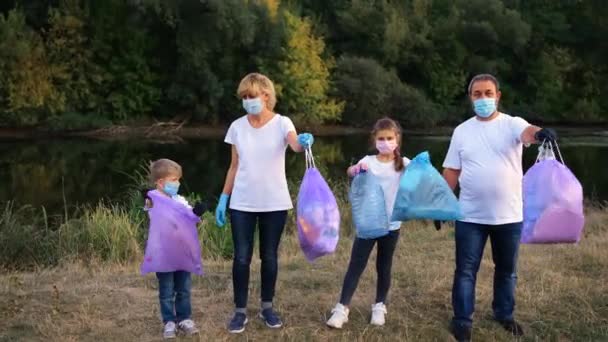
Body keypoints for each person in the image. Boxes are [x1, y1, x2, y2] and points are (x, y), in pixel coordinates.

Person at [441, 74, 557, 341]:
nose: (483, 98)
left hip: (509, 215)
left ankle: (504, 314)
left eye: (488, 93)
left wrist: (540, 134)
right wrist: (442, 204)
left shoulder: (511, 124)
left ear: (498, 95)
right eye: (477, 94)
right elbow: (451, 170)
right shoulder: (462, 131)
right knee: (465, 270)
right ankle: (462, 320)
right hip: (470, 215)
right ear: (470, 97)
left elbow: (528, 132)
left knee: (506, 270)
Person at [214, 73, 313, 333]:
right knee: (241, 258)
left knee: (269, 256)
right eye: (244, 97)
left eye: (252, 96)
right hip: (242, 203)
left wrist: (303, 142)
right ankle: (240, 312)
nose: (248, 101)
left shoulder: (282, 123)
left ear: (266, 96)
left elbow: (294, 145)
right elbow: (234, 166)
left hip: (274, 202)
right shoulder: (236, 127)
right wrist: (224, 198)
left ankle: (267, 308)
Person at [326, 117, 410, 329]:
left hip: (392, 226)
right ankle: (342, 308)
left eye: (389, 138)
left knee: (384, 266)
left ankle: (380, 306)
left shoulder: (405, 164)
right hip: (368, 225)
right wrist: (354, 170)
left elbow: (422, 181)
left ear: (397, 139)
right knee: (356, 265)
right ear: (374, 140)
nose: (385, 142)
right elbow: (350, 171)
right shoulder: (368, 161)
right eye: (381, 138)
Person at [140, 158, 208, 339]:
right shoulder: (154, 201)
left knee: (183, 287)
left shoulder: (180, 200)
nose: (177, 183)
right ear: (161, 182)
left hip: (181, 252)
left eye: (178, 179)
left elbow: (190, 217)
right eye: (174, 180)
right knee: (166, 289)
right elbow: (150, 210)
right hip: (163, 254)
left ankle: (184, 318)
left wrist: (197, 212)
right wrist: (147, 198)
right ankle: (169, 320)